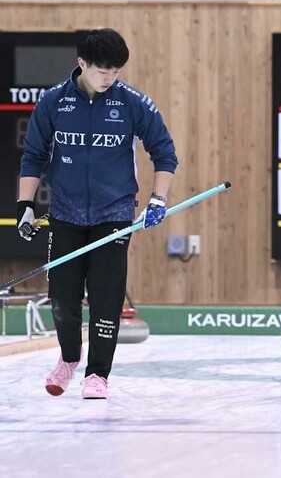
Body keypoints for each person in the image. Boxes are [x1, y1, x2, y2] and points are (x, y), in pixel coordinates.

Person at [16, 28, 178, 399]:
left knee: (106, 295)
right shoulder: (54, 102)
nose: (109, 78)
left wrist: (158, 198)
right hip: (65, 212)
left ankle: (98, 374)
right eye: (102, 71)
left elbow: (165, 154)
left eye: (116, 72)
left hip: (114, 213)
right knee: (62, 295)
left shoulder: (134, 103)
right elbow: (34, 156)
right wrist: (25, 206)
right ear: (81, 64)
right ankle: (69, 359)